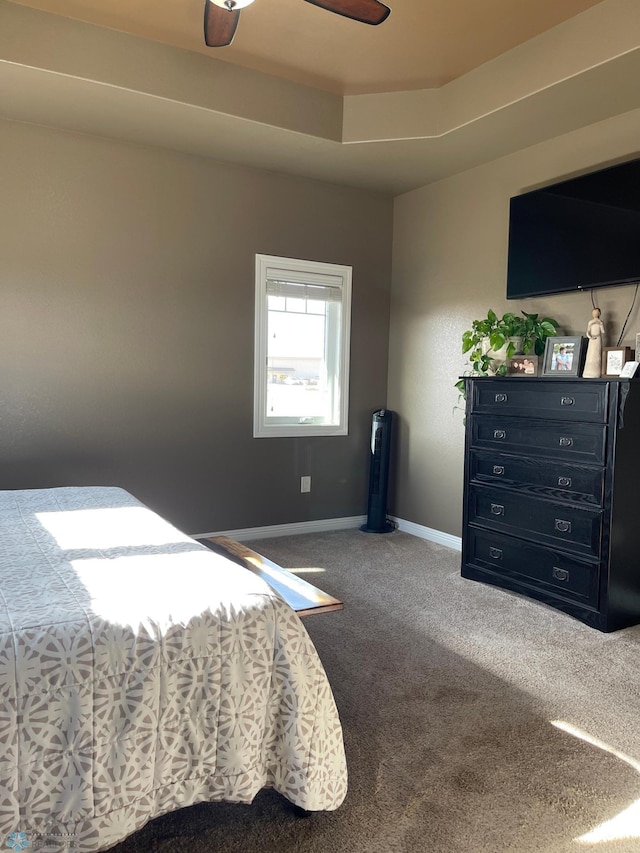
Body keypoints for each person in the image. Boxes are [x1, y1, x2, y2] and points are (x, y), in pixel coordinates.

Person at [582, 308, 605, 378]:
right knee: (590, 354)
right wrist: (590, 336)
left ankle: (596, 372)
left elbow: (603, 331)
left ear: (599, 314)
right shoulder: (590, 322)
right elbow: (588, 332)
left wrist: (601, 324)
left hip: (598, 339)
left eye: (597, 312)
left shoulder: (600, 322)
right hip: (592, 340)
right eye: (594, 312)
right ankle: (588, 371)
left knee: (597, 355)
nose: (595, 314)